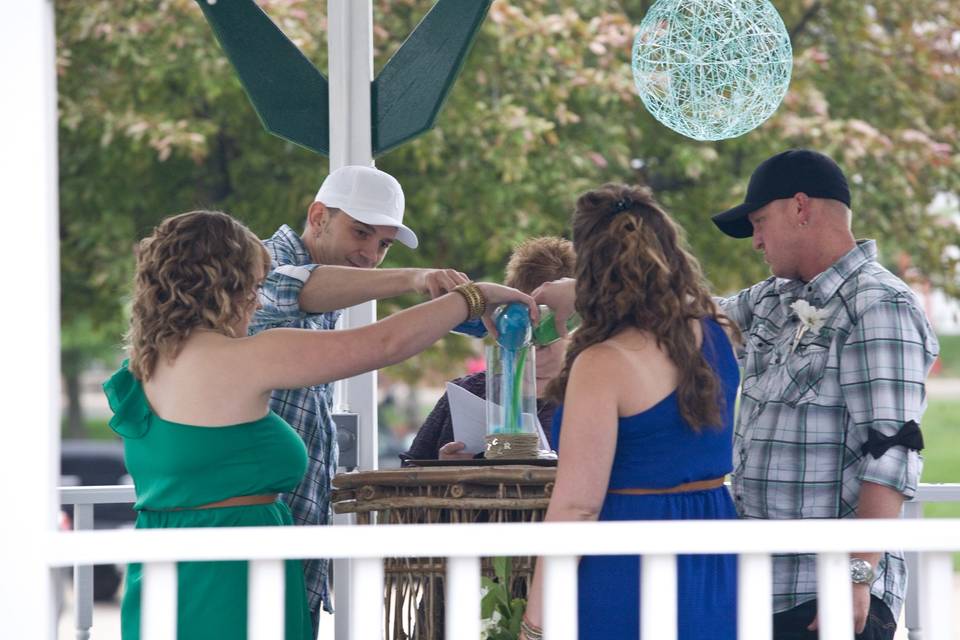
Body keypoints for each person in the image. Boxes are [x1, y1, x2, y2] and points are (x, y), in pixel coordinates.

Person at [104, 210, 534, 640]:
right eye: (253, 286)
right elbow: (384, 343)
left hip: (161, 569)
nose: (257, 301)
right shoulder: (245, 357)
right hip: (232, 576)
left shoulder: (144, 366)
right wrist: (472, 296)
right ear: (225, 286)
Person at [709, 149, 939, 638]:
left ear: (800, 207)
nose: (756, 242)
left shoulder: (879, 304)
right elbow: (687, 319)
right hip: (759, 589)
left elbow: (893, 452)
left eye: (759, 222)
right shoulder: (774, 298)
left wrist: (857, 577)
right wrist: (586, 291)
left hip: (827, 597)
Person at [247, 164, 474, 627]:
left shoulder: (332, 291)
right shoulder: (261, 268)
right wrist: (419, 280)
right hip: (248, 531)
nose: (371, 254)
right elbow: (297, 288)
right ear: (318, 217)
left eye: (384, 244)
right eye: (361, 233)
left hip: (295, 533)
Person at [521, 184, 741, 640]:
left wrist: (534, 623)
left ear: (590, 265)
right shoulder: (716, 328)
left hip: (628, 557)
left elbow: (578, 508)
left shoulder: (604, 364)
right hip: (714, 550)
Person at [401, 236, 576, 462]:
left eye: (546, 320)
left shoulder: (591, 398)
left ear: (574, 322)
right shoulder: (468, 393)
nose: (532, 332)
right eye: (522, 315)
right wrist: (443, 469)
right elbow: (409, 471)